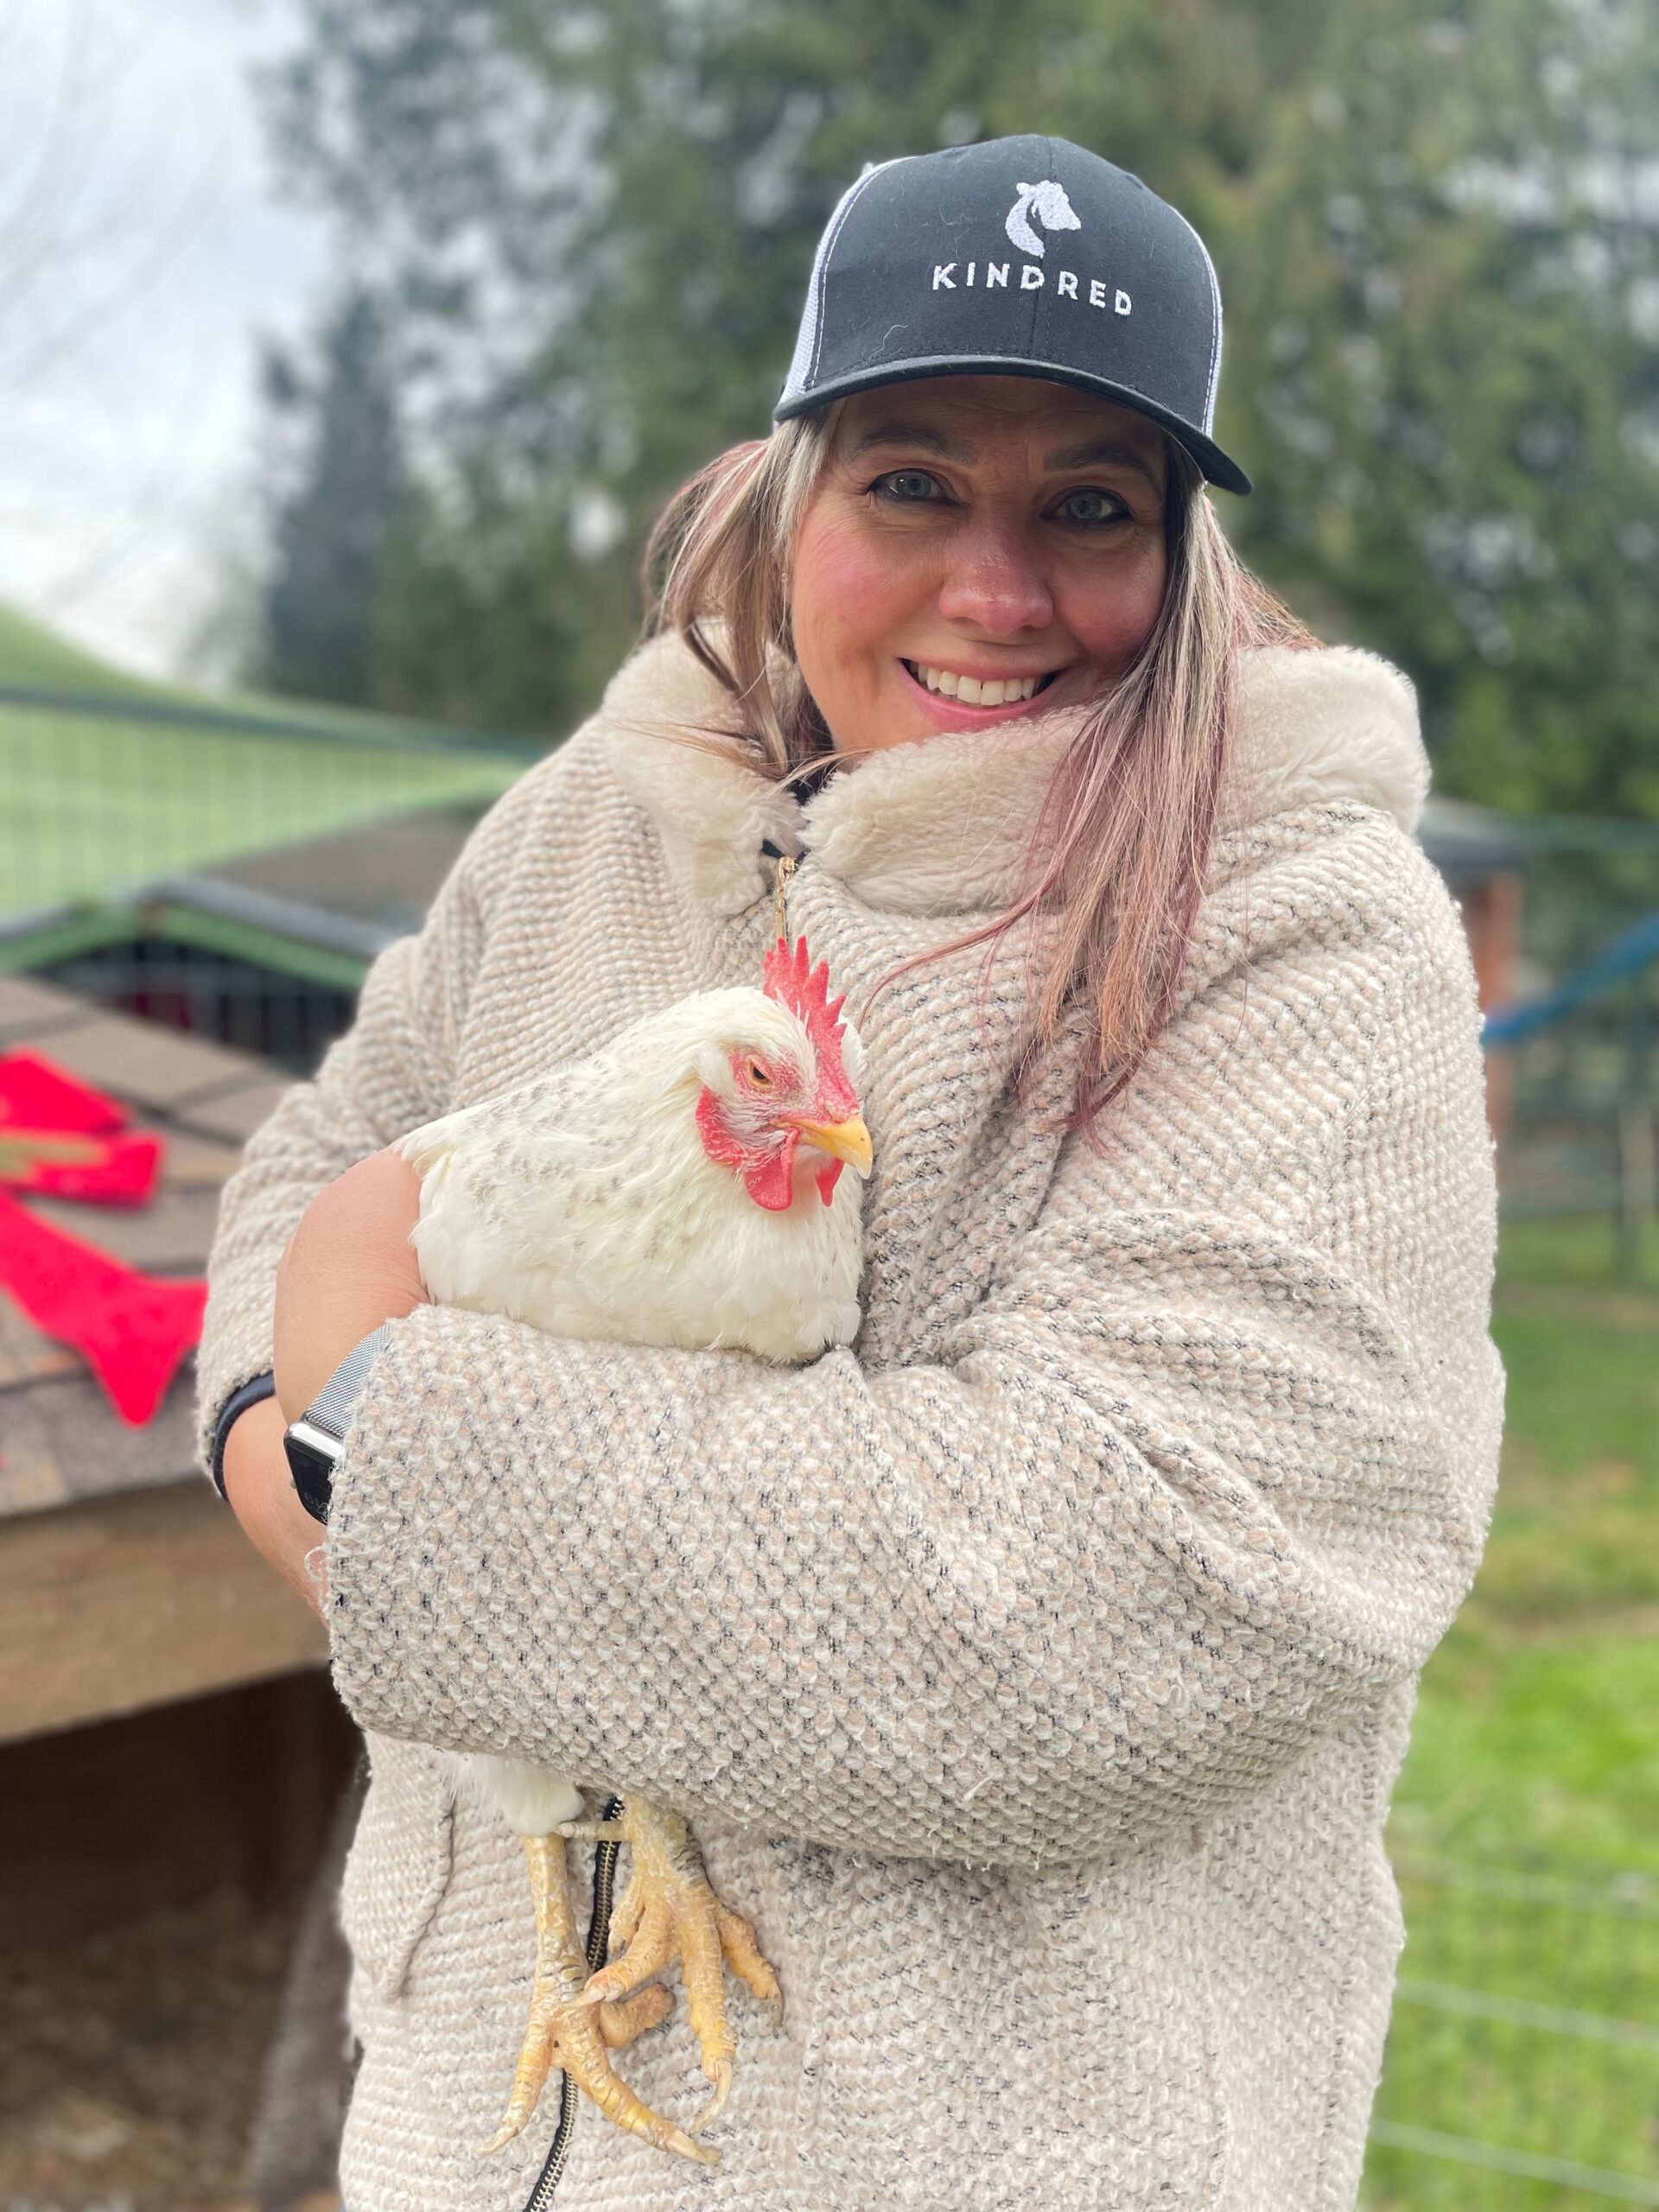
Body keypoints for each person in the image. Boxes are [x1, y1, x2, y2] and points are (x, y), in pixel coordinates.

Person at [200, 134, 1502, 2212]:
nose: (997, 592)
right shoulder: (592, 827)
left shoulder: (1294, 925)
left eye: (1089, 504)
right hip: (466, 2129)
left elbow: (1148, 1585)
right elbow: (318, 1157)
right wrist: (276, 1419)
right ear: (794, 482)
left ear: (1181, 547)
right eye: (913, 481)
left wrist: (375, 1454)